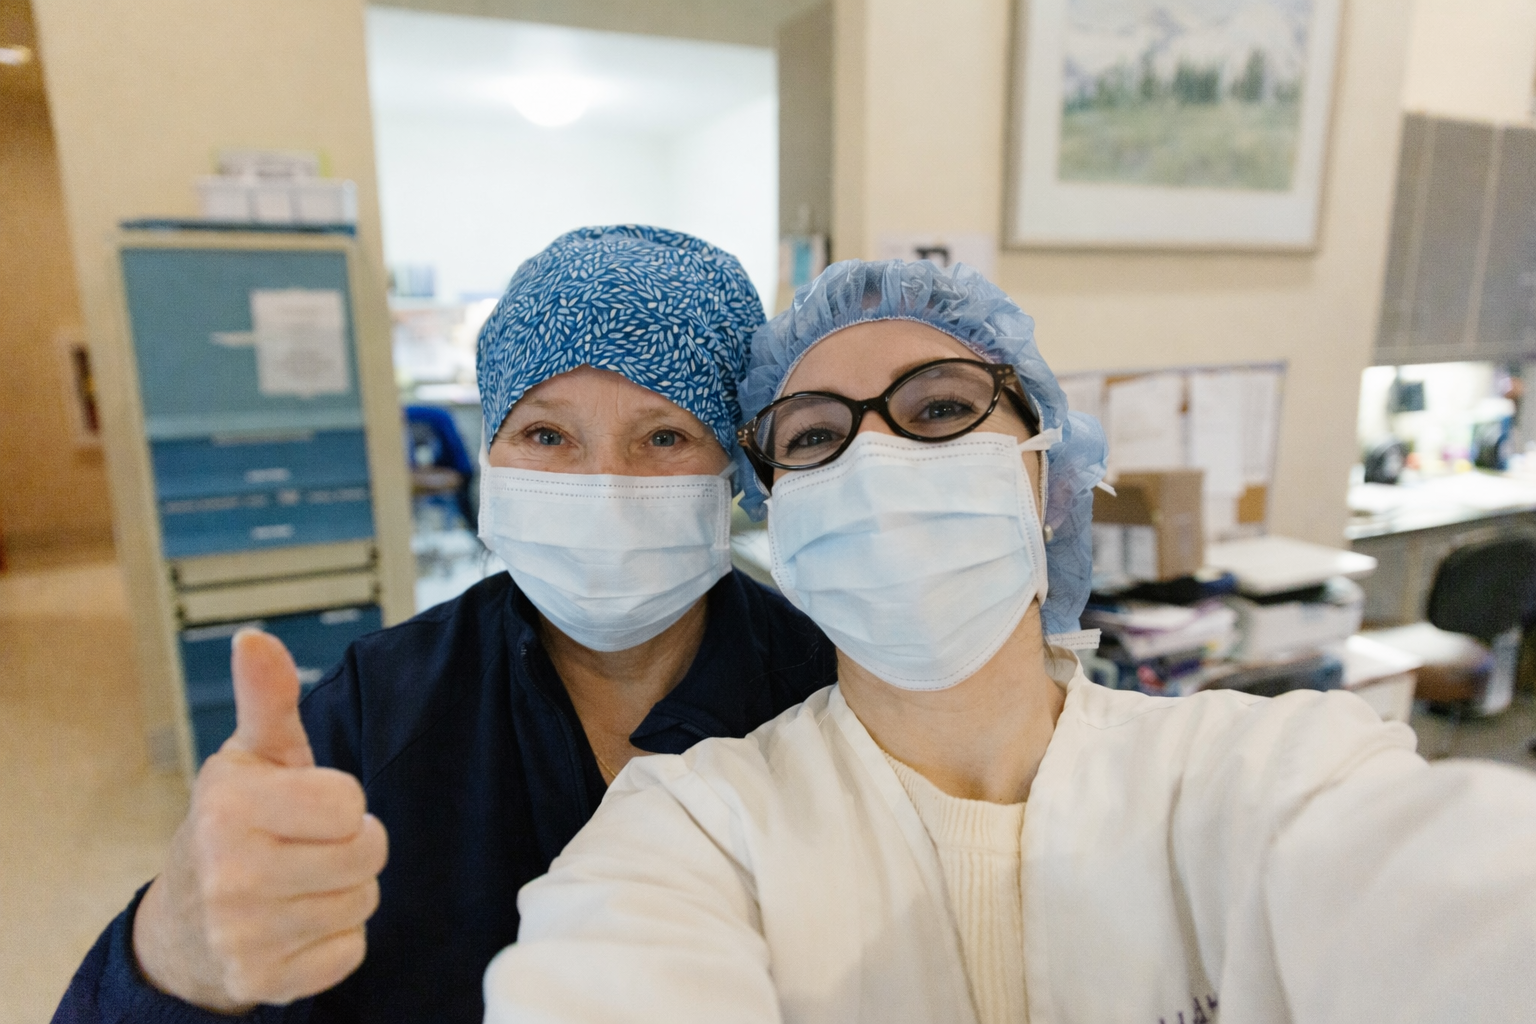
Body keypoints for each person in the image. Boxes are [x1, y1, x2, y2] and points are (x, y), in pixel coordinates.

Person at [485, 259, 1536, 1024]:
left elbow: (1468, 911)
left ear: (1047, 479)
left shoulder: (1268, 774)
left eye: (939, 409)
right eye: (814, 437)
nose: (878, 460)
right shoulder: (693, 827)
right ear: (778, 520)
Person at [53, 226, 836, 1023]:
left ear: (736, 469)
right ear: (491, 454)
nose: (604, 485)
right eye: (547, 435)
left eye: (664, 436)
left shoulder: (823, 692)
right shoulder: (383, 704)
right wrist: (175, 957)